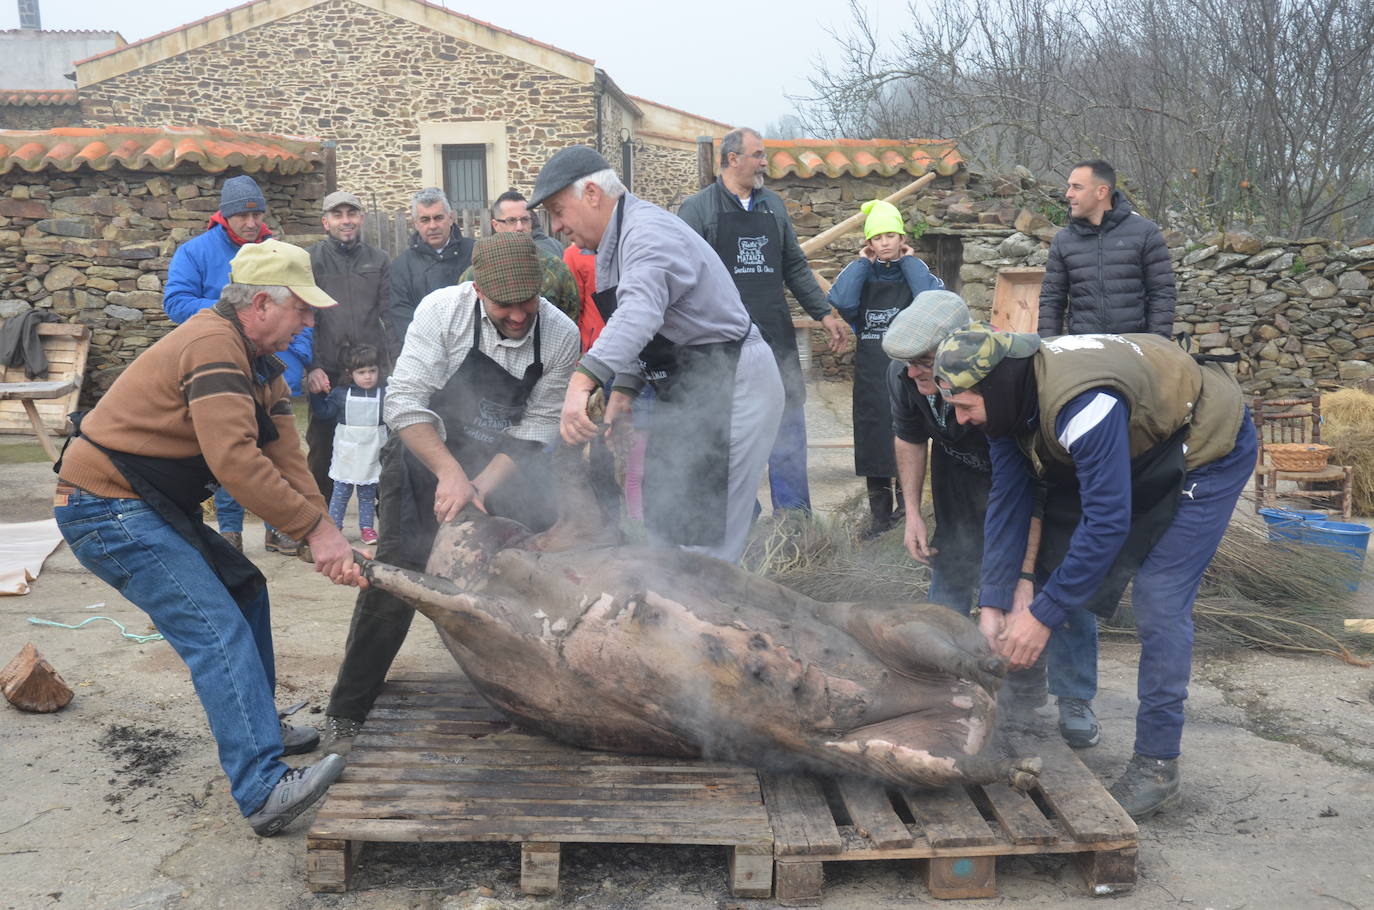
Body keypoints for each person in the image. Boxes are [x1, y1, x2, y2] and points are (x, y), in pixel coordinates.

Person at [53, 239, 362, 836]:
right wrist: (316, 532)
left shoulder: (262, 365)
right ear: (264, 303)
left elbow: (286, 457)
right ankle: (263, 790)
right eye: (302, 308)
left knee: (246, 589)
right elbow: (235, 463)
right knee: (216, 631)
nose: (309, 319)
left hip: (146, 503)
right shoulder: (213, 345)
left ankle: (260, 732)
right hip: (105, 507)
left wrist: (321, 529)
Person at [934, 326, 1255, 819]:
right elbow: (1009, 501)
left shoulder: (1083, 407)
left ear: (996, 388)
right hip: (1138, 444)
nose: (959, 420)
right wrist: (996, 600)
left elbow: (1107, 522)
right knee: (1051, 563)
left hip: (1204, 445)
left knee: (1159, 598)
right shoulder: (1008, 404)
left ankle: (1157, 765)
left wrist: (1042, 615)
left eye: (964, 406)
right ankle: (1023, 702)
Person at [323, 231, 579, 750]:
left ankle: (532, 696)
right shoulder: (443, 312)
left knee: (521, 572)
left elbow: (536, 426)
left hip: (500, 462)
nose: (516, 315)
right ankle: (347, 711)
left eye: (526, 302)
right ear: (478, 289)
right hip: (424, 456)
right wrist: (450, 472)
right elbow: (404, 405)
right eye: (504, 305)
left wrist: (481, 482)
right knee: (397, 574)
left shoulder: (560, 333)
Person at [530, 145, 784, 563]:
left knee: (705, 536)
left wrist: (582, 382)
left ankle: (711, 619)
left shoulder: (647, 235)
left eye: (558, 211)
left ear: (592, 194)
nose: (555, 227)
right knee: (668, 519)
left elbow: (640, 311)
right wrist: (625, 390)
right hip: (687, 385)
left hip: (730, 378)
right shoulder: (615, 241)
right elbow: (648, 321)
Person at [678, 127, 848, 515]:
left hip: (775, 336)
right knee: (732, 433)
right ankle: (743, 519)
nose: (763, 162)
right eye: (757, 154)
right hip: (723, 346)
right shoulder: (698, 209)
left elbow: (794, 266)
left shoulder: (773, 206)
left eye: (763, 154)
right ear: (732, 159)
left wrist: (824, 314)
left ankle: (794, 519)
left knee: (788, 423)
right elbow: (681, 276)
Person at [164, 175, 313, 555]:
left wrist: (298, 358)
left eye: (256, 214)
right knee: (232, 446)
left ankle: (280, 526)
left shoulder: (279, 253)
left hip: (272, 363)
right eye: (241, 215)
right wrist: (231, 314)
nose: (250, 223)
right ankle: (229, 530)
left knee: (277, 447)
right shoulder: (195, 252)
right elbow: (176, 302)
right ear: (223, 215)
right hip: (221, 360)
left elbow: (301, 309)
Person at [828, 199, 944, 535]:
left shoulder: (915, 270)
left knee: (906, 434)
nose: (886, 242)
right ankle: (879, 518)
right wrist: (864, 265)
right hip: (871, 372)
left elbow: (928, 297)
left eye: (891, 235)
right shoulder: (858, 272)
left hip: (908, 369)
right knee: (873, 439)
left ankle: (905, 512)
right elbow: (845, 301)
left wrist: (908, 263)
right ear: (869, 243)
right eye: (878, 237)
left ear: (902, 237)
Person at [306, 190, 392, 503]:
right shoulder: (310, 259)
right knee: (322, 448)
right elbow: (305, 318)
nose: (346, 221)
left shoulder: (378, 260)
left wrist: (394, 366)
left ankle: (386, 525)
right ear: (325, 222)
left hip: (370, 370)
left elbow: (389, 314)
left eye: (351, 214)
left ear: (361, 218)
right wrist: (311, 365)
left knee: (379, 444)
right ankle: (320, 522)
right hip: (328, 370)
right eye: (338, 215)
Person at [1038, 159, 1176, 338]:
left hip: (1134, 352)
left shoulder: (1145, 232)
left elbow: (1162, 293)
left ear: (1101, 191)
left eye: (1077, 187)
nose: (1068, 194)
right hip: (1085, 352)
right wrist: (1048, 349)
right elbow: (1052, 300)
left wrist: (1156, 346)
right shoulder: (1064, 240)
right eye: (1069, 187)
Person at [458, 189, 580, 320]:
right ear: (496, 225)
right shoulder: (476, 273)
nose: (520, 227)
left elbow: (571, 318)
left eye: (525, 219)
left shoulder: (555, 269)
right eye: (511, 220)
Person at [309, 344, 387, 545]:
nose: (368, 376)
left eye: (372, 371)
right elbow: (324, 413)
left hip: (372, 453)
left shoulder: (384, 395)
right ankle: (335, 526)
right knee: (341, 492)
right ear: (350, 374)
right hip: (347, 452)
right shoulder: (341, 394)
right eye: (362, 372)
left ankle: (367, 528)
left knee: (367, 493)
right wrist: (315, 395)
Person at [388, 187, 475, 349]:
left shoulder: (475, 254)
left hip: (473, 352)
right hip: (425, 353)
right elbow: (402, 315)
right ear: (415, 223)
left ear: (451, 218)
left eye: (438, 218)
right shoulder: (402, 266)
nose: (432, 225)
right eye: (425, 220)